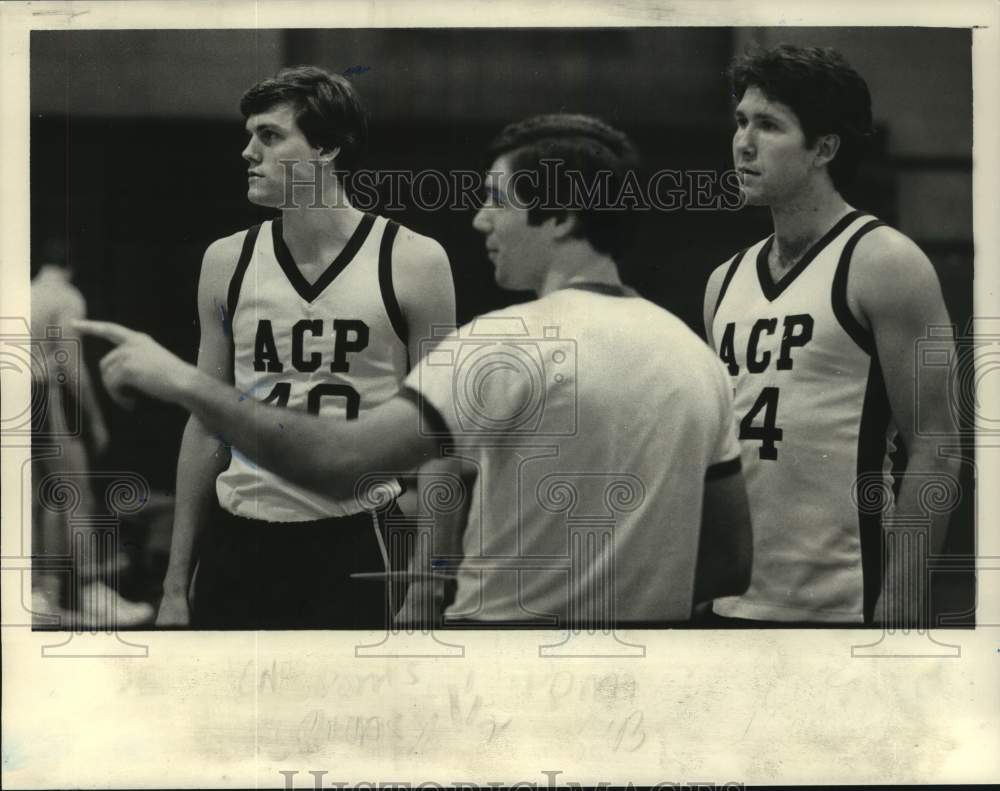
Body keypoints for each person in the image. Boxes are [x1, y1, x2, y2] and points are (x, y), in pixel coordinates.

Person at [78, 113, 753, 627]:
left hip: (502, 665)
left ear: (561, 215)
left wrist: (180, 380)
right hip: (642, 678)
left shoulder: (502, 342)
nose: (480, 217)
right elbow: (728, 562)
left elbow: (339, 462)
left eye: (497, 198)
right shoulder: (694, 355)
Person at [152, 66, 455, 628]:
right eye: (249, 135)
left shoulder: (413, 260)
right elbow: (204, 424)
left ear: (327, 147)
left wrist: (427, 583)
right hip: (240, 541)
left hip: (358, 539)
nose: (247, 152)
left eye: (269, 136)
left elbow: (439, 438)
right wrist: (174, 584)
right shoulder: (227, 260)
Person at [703, 44, 960, 625]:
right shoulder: (724, 281)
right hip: (733, 601)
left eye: (769, 125)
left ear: (824, 147)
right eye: (741, 121)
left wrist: (903, 599)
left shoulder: (884, 261)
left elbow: (937, 447)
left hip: (846, 603)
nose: (744, 141)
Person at [30, 239, 154, 628]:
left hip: (16, 392)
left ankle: (44, 596)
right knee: (77, 494)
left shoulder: (25, 292)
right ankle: (92, 591)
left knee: (46, 499)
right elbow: (73, 367)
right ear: (74, 265)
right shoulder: (65, 296)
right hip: (40, 391)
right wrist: (97, 420)